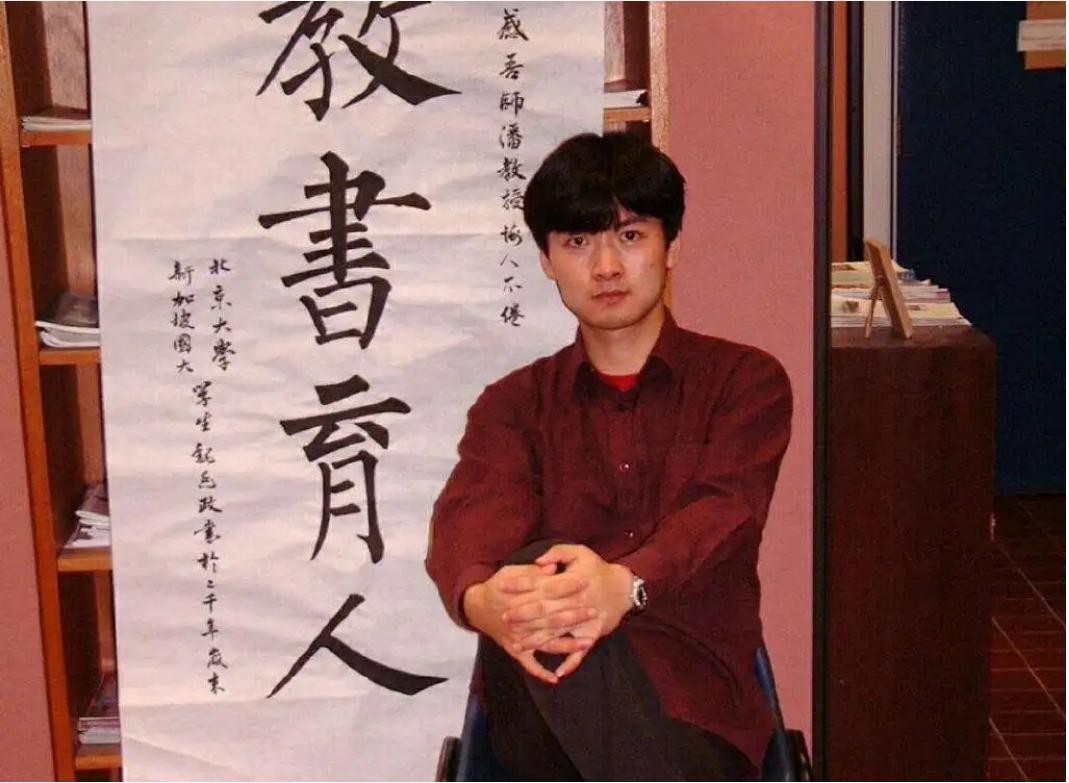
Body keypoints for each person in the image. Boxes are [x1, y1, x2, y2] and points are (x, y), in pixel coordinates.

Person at [425, 132, 792, 781]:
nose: (605, 267)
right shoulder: (514, 405)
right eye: (577, 241)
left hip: (693, 707)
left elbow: (723, 511)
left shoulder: (744, 382)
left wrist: (624, 585)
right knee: (523, 570)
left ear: (671, 246)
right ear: (545, 260)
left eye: (629, 236)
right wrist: (483, 601)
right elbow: (473, 521)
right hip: (541, 712)